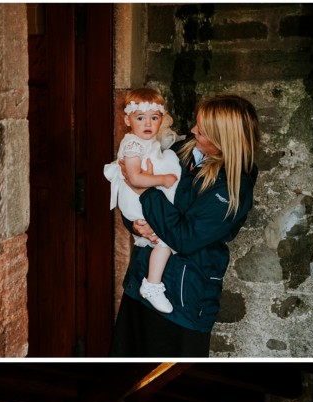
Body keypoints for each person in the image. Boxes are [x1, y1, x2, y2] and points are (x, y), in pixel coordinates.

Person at [110, 94, 260, 357]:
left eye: (200, 131)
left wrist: (145, 190)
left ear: (221, 140)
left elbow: (184, 238)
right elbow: (131, 195)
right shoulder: (182, 150)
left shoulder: (233, 186)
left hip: (182, 300)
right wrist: (136, 225)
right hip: (141, 282)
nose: (192, 131)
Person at [104, 87, 181, 314]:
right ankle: (152, 284)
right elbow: (135, 178)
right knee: (166, 239)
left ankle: (153, 282)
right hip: (135, 200)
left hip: (142, 198)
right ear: (128, 120)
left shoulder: (144, 141)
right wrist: (164, 178)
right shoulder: (132, 145)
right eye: (140, 118)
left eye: (154, 118)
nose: (148, 124)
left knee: (163, 238)